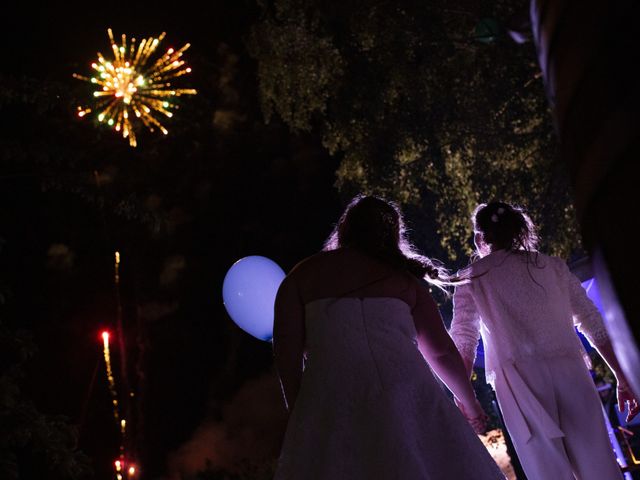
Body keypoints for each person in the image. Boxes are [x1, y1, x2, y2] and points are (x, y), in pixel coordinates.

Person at [272, 195, 504, 480]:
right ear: (392, 234)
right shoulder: (402, 280)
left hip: (332, 401)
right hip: (409, 396)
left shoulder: (301, 276)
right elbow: (441, 351)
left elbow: (286, 352)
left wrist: (300, 410)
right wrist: (470, 404)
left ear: (346, 228)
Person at [449, 201, 639, 480]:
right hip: (571, 370)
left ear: (479, 237)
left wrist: (463, 398)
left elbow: (464, 342)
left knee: (548, 473)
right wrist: (622, 376)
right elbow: (592, 323)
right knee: (600, 465)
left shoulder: (472, 279)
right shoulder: (553, 267)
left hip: (518, 382)